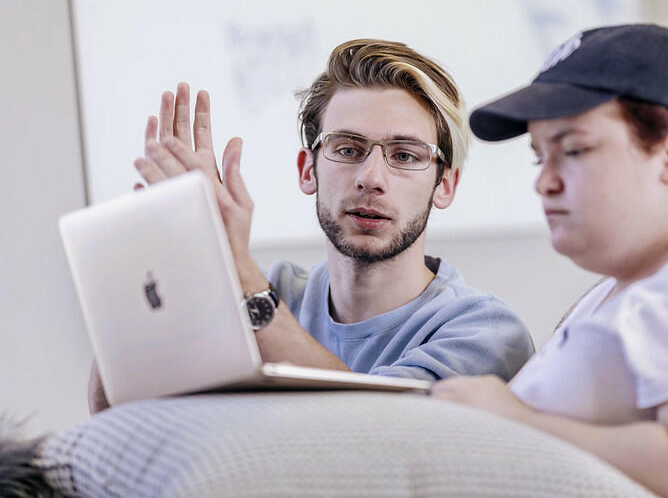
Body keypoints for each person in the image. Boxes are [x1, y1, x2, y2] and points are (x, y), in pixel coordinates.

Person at [432, 24, 668, 496]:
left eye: (573, 150)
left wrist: (512, 419)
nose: (544, 182)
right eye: (539, 157)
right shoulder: (621, 288)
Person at [88, 39, 534, 413]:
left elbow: (376, 437)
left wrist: (238, 274)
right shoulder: (275, 289)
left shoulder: (484, 332)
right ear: (308, 170)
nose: (371, 178)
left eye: (405, 156)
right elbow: (116, 412)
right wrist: (161, 248)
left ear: (445, 185)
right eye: (347, 148)